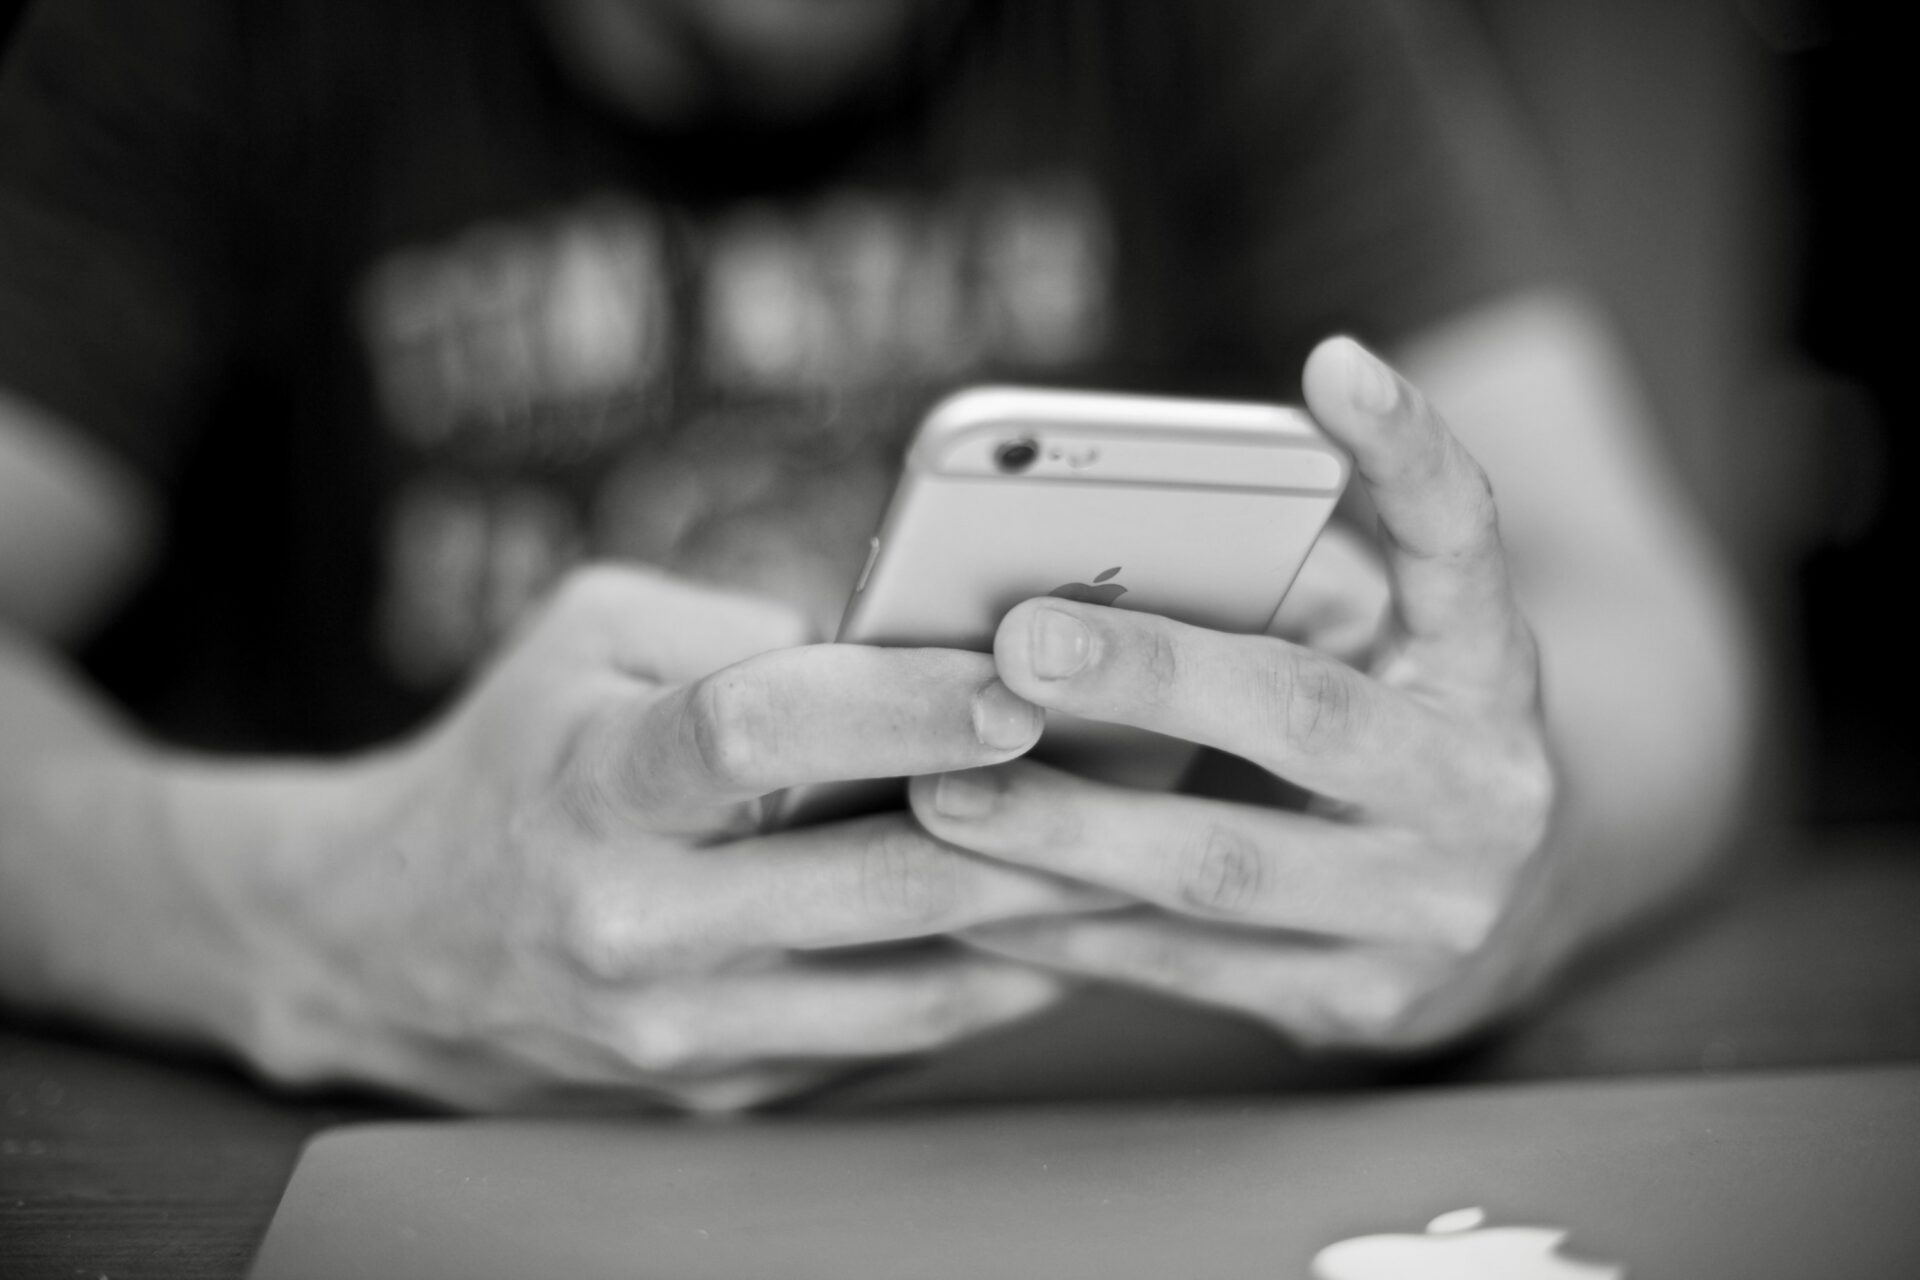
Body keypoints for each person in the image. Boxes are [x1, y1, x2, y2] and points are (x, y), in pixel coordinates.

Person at [0, 0, 1754, 1111]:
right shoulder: (201, 36)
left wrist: (1524, 841)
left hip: (1111, 1129)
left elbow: (1651, 632)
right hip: (417, 1148)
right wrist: (318, 924)